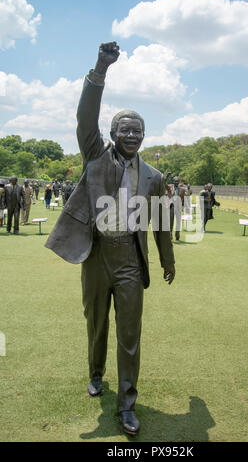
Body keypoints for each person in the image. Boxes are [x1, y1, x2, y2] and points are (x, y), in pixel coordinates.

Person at [45, 41, 175, 436]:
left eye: (137, 130)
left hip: (131, 261)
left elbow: (160, 223)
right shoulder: (96, 156)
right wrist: (100, 70)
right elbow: (86, 119)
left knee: (130, 334)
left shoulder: (153, 176)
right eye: (124, 129)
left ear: (144, 136)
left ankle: (127, 405)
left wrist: (168, 259)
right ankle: (95, 373)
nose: (131, 135)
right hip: (97, 255)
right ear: (114, 133)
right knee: (96, 323)